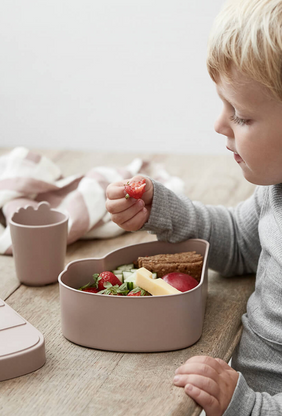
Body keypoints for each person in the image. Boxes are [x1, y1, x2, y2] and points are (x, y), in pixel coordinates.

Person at [105, 0, 282, 415]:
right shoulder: (277, 191)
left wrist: (251, 407)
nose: (220, 124)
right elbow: (240, 241)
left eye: (240, 115)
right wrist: (161, 209)